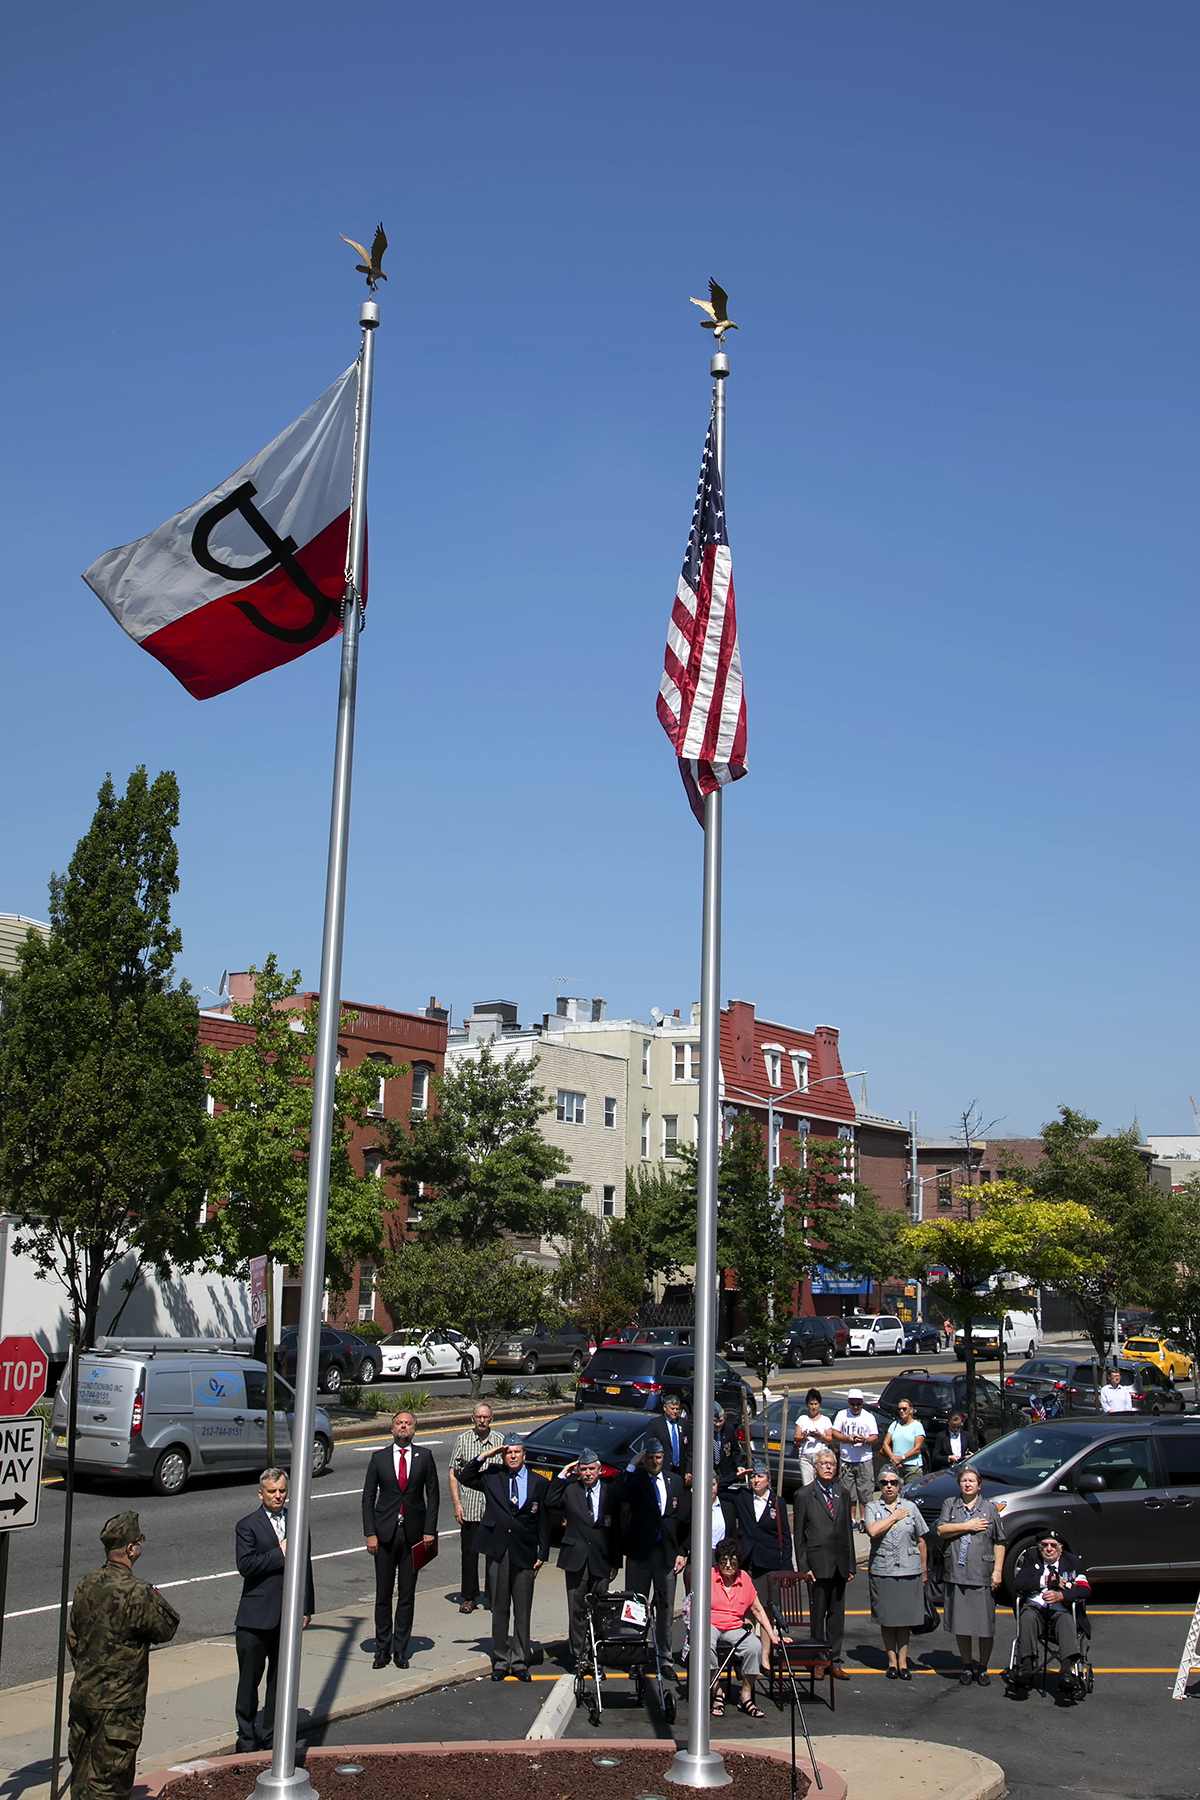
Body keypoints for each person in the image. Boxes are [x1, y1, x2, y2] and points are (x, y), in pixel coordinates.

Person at [67, 1512, 180, 1800]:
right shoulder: (137, 1592)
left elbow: (73, 1636)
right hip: (118, 1706)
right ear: (131, 1549)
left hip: (83, 1696)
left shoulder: (85, 1584)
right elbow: (166, 1628)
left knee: (81, 1779)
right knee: (109, 1786)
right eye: (139, 1541)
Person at [457, 1432, 550, 1680]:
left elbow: (543, 1521)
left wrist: (543, 1552)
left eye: (516, 1452)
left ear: (524, 1455)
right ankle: (500, 1659)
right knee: (499, 1608)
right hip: (498, 1551)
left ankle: (520, 1660)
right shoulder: (492, 1476)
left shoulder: (538, 1482)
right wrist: (486, 1455)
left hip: (525, 1552)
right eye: (508, 1452)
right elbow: (465, 1476)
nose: (512, 1456)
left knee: (522, 1609)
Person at [234, 1469, 315, 1751]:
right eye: (272, 1491)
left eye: (282, 1490)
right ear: (261, 1494)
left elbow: (305, 1565)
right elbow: (246, 1566)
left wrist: (306, 1607)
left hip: (287, 1616)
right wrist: (280, 1552)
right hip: (254, 1619)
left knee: (280, 1683)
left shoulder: (298, 1521)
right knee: (249, 1683)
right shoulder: (247, 1526)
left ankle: (273, 1737)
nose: (278, 1496)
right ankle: (246, 1738)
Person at [361, 1409, 440, 1669]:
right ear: (392, 1429)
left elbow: (433, 1495)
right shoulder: (379, 1458)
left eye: (407, 1424)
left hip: (413, 1536)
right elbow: (368, 1498)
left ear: (414, 1430)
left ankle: (401, 1651)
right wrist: (370, 1533)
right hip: (385, 1535)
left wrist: (430, 1530)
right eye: (399, 1423)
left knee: (407, 1595)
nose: (403, 1427)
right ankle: (382, 1649)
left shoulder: (425, 1457)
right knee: (383, 1595)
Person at [545, 1448, 620, 1669]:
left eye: (591, 1469)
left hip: (601, 1558)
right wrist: (562, 1475)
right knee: (577, 1609)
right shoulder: (571, 1490)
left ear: (599, 1470)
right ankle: (579, 1656)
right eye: (583, 1470)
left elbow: (616, 1530)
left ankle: (598, 1655)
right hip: (576, 1558)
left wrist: (615, 1562)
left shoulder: (610, 1493)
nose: (587, 1474)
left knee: (600, 1610)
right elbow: (550, 1500)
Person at [618, 1442, 689, 1663]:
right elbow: (620, 1495)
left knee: (665, 1607)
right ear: (644, 1459)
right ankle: (634, 1655)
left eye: (658, 1457)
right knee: (635, 1607)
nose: (654, 1462)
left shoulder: (674, 1481)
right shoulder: (636, 1479)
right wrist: (631, 1467)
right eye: (650, 1458)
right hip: (640, 1554)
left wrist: (681, 1551)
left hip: (666, 1554)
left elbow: (683, 1519)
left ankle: (664, 1656)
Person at [937, 1463, 1005, 1685]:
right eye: (964, 1481)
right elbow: (941, 1529)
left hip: (981, 1573)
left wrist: (997, 1571)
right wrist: (967, 1526)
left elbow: (1000, 1542)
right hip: (957, 1572)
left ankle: (983, 1666)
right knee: (962, 1623)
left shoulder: (990, 1509)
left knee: (985, 1626)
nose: (967, 1484)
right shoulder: (951, 1504)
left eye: (971, 1481)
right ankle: (966, 1665)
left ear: (979, 1486)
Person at [792, 1447, 855, 1680]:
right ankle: (817, 1659)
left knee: (837, 1616)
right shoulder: (804, 1495)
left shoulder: (843, 1493)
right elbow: (799, 1535)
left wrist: (851, 1566)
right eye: (824, 1464)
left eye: (832, 1464)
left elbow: (847, 1530)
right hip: (817, 1564)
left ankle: (834, 1659)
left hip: (839, 1562)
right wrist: (804, 1566)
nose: (828, 1467)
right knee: (818, 1615)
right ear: (815, 1468)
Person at [865, 1470, 929, 1679]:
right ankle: (891, 1662)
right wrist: (893, 1517)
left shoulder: (910, 1508)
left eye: (893, 1482)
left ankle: (903, 1662)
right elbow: (873, 1531)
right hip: (883, 1569)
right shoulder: (872, 1507)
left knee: (905, 1619)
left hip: (909, 1569)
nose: (889, 1486)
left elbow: (921, 1540)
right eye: (884, 1483)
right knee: (888, 1618)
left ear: (900, 1485)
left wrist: (924, 1570)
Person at [709, 1540, 781, 1720]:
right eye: (723, 1561)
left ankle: (746, 1695)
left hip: (734, 1625)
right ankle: (716, 1691)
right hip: (711, 1623)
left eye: (732, 1562)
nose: (727, 1565)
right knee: (704, 1644)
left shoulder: (744, 1579)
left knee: (754, 1646)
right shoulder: (708, 1576)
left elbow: (757, 1609)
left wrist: (773, 1637)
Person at [1013, 1530, 1091, 1695]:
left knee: (1066, 1619)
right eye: (1044, 1545)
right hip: (1035, 1611)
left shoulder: (1072, 1563)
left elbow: (1085, 1590)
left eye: (1053, 1545)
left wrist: (1061, 1595)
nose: (1049, 1549)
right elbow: (1019, 1584)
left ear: (1060, 1549)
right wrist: (1045, 1581)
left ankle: (1065, 1672)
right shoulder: (1031, 1558)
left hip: (1059, 1613)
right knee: (1027, 1615)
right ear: (1039, 1548)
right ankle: (1026, 1668)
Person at [449, 1401, 504, 1613]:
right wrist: (456, 1503)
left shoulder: (500, 1442)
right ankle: (469, 1596)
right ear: (472, 1419)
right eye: (478, 1417)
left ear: (492, 1419)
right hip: (470, 1507)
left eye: (486, 1417)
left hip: (492, 1510)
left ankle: (492, 1595)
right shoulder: (463, 1440)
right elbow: (454, 1474)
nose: (482, 1421)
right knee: (469, 1554)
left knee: (494, 1555)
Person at [832, 1390, 879, 1529]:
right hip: (847, 1459)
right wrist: (847, 1439)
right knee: (849, 1492)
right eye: (853, 1404)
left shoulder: (869, 1417)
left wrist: (865, 1440)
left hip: (864, 1459)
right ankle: (852, 1519)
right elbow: (835, 1433)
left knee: (865, 1491)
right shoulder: (842, 1415)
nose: (855, 1407)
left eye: (858, 1404)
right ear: (848, 1403)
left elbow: (875, 1437)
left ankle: (864, 1519)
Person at [685, 1403, 740, 1486]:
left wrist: (739, 1465)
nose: (718, 1425)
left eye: (721, 1421)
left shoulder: (729, 1429)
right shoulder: (700, 1431)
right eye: (715, 1421)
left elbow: (735, 1451)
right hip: (707, 1473)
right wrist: (689, 1471)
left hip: (724, 1473)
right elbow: (692, 1453)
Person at [792, 1389, 835, 1486]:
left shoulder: (825, 1420)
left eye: (815, 1404)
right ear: (807, 1405)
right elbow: (797, 1437)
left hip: (820, 1455)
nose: (813, 1407)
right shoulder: (802, 1419)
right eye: (811, 1404)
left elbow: (829, 1440)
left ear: (819, 1405)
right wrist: (805, 1436)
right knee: (807, 1484)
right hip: (806, 1456)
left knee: (821, 1483)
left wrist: (819, 1435)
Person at [881, 1397, 926, 1481]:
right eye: (899, 1409)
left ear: (911, 1410)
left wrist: (901, 1458)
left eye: (904, 1409)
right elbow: (885, 1443)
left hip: (912, 1467)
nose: (901, 1411)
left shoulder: (917, 1426)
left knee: (910, 1492)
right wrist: (893, 1458)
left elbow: (917, 1449)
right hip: (896, 1465)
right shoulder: (894, 1424)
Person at [652, 1392, 690, 1476]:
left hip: (680, 1470)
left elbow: (689, 1449)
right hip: (663, 1469)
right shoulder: (655, 1424)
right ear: (665, 1408)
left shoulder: (684, 1423)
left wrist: (689, 1470)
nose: (675, 1412)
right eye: (672, 1409)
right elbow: (650, 1447)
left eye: (677, 1409)